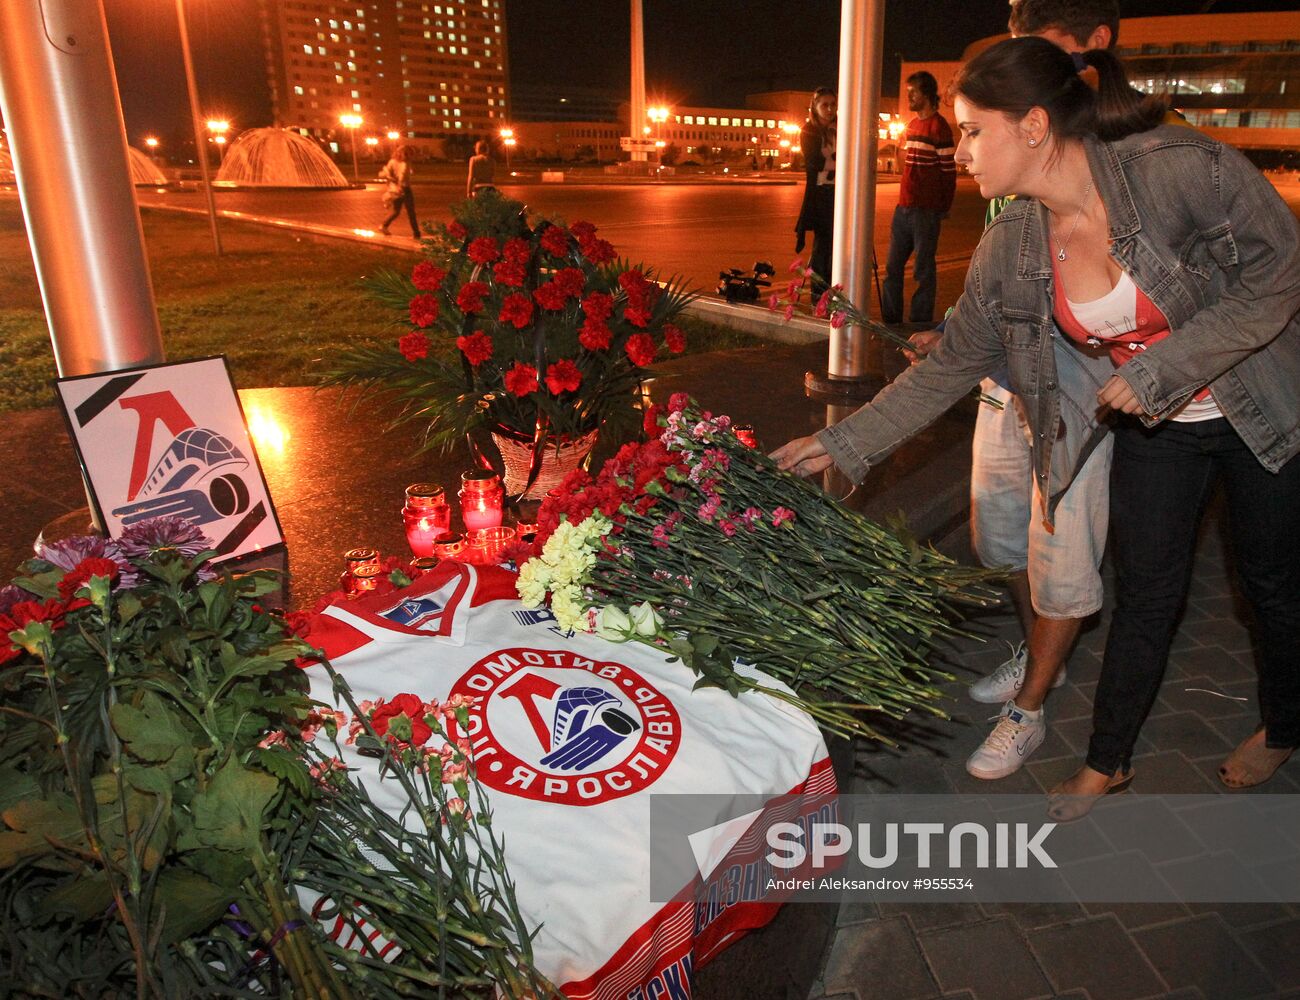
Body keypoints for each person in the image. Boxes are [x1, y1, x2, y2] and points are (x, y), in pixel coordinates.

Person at [773, 37, 1300, 817]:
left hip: (1263, 406)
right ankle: (1107, 761)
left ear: (1032, 125)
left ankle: (1285, 723)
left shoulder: (1180, 168)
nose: (958, 151)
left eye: (972, 130)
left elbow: (1279, 275)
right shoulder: (1015, 242)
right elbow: (954, 363)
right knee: (1150, 596)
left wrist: (1156, 370)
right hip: (1162, 430)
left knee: (1274, 586)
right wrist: (839, 442)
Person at [905, 0, 1125, 782]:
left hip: (1073, 397)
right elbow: (1001, 263)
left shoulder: (1111, 150)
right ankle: (1041, 658)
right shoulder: (1006, 149)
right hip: (1003, 381)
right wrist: (959, 331)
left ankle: (1029, 708)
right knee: (1000, 543)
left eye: (1047, 44)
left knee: (1062, 560)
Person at [880, 71, 956, 324]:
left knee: (922, 270)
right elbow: (905, 163)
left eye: (912, 92)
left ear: (925, 94)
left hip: (926, 210)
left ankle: (919, 321)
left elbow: (948, 171)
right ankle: (891, 320)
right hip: (903, 207)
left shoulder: (939, 127)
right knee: (892, 269)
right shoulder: (912, 126)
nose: (909, 97)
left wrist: (943, 206)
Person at [794, 87, 837, 296]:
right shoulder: (809, 131)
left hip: (840, 193)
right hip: (821, 195)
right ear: (815, 107)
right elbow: (814, 161)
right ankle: (818, 297)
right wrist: (838, 162)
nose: (829, 109)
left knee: (838, 248)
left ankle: (836, 294)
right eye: (824, 105)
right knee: (823, 248)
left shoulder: (841, 128)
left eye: (833, 104)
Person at [379, 144, 420, 240]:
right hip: (404, 189)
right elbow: (403, 175)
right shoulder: (406, 163)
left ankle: (384, 225)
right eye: (410, 154)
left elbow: (386, 173)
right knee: (411, 212)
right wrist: (400, 185)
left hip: (396, 190)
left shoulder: (392, 162)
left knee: (396, 211)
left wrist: (392, 180)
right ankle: (416, 233)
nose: (411, 156)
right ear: (406, 154)